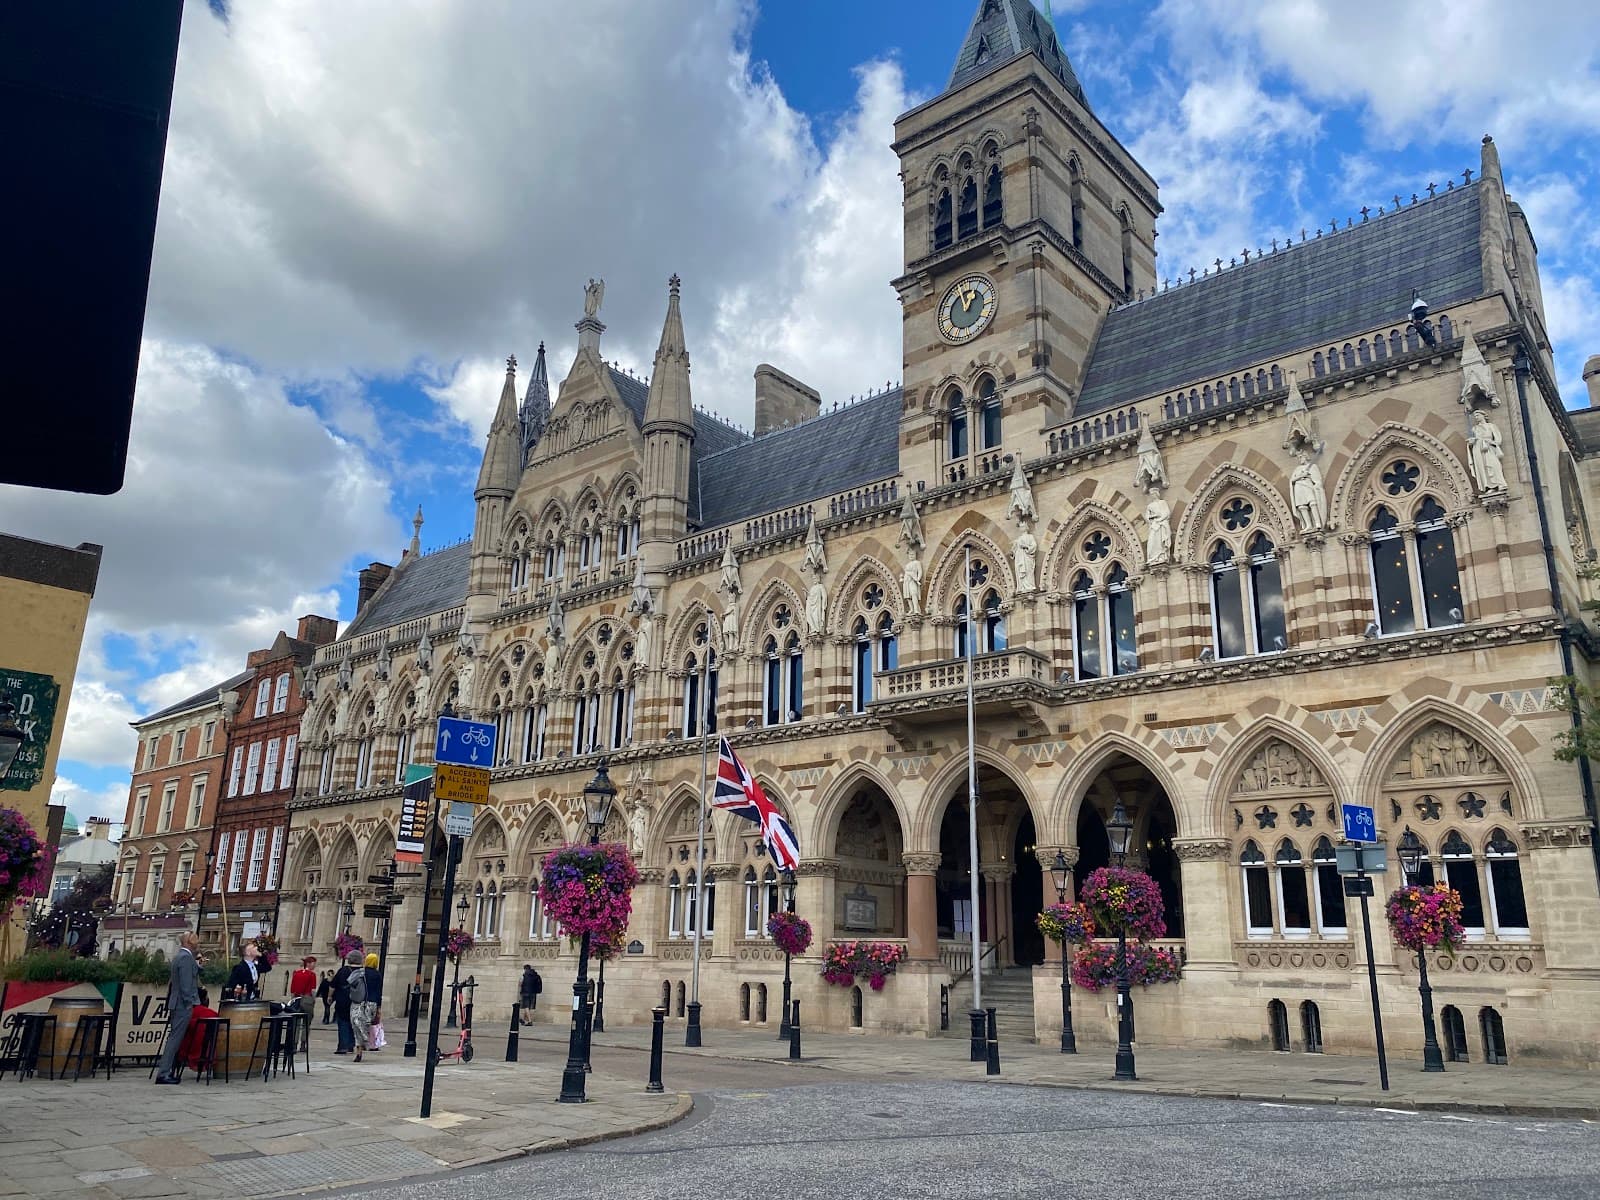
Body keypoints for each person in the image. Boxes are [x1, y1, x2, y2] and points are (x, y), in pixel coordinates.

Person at [153, 932, 201, 1084]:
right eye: (195, 942)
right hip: (182, 1004)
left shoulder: (181, 956)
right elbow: (186, 985)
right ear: (189, 943)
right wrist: (189, 1002)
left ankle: (167, 1071)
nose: (197, 944)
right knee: (174, 1039)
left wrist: (198, 966)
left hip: (177, 1002)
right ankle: (164, 1073)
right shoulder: (186, 958)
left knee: (174, 1037)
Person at [177, 988, 219, 1073]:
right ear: (204, 999)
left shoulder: (187, 1013)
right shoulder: (212, 1014)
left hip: (186, 1048)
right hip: (208, 1051)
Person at [349, 952, 381, 1062]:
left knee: (357, 1027)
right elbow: (378, 992)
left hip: (360, 1002)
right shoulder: (377, 975)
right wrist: (379, 1008)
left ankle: (359, 1049)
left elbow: (350, 983)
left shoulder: (361, 972)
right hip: (372, 1004)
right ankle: (367, 1043)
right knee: (366, 1026)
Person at [332, 952, 359, 1054]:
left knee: (343, 1022)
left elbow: (333, 985)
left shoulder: (343, 970)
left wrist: (330, 997)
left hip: (343, 1000)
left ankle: (343, 1046)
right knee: (353, 1023)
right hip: (357, 1001)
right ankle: (350, 1045)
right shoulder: (362, 972)